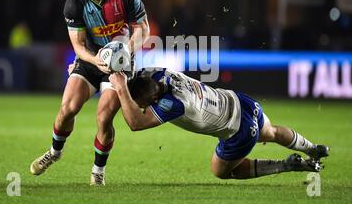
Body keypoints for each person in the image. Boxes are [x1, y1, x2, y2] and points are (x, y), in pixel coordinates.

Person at [30, 0, 150, 185]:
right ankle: (55, 152)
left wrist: (124, 53)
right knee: (68, 108)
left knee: (104, 117)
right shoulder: (74, 4)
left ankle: (98, 171)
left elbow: (143, 30)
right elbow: (78, 45)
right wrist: (96, 61)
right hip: (91, 60)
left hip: (120, 63)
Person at [108, 68, 329, 180]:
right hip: (241, 101)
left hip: (237, 129)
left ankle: (287, 165)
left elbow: (135, 123)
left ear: (154, 100)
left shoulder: (174, 104)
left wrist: (120, 89)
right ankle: (313, 148)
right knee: (270, 132)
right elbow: (132, 73)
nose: (144, 109)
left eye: (144, 105)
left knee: (220, 171)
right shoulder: (160, 74)